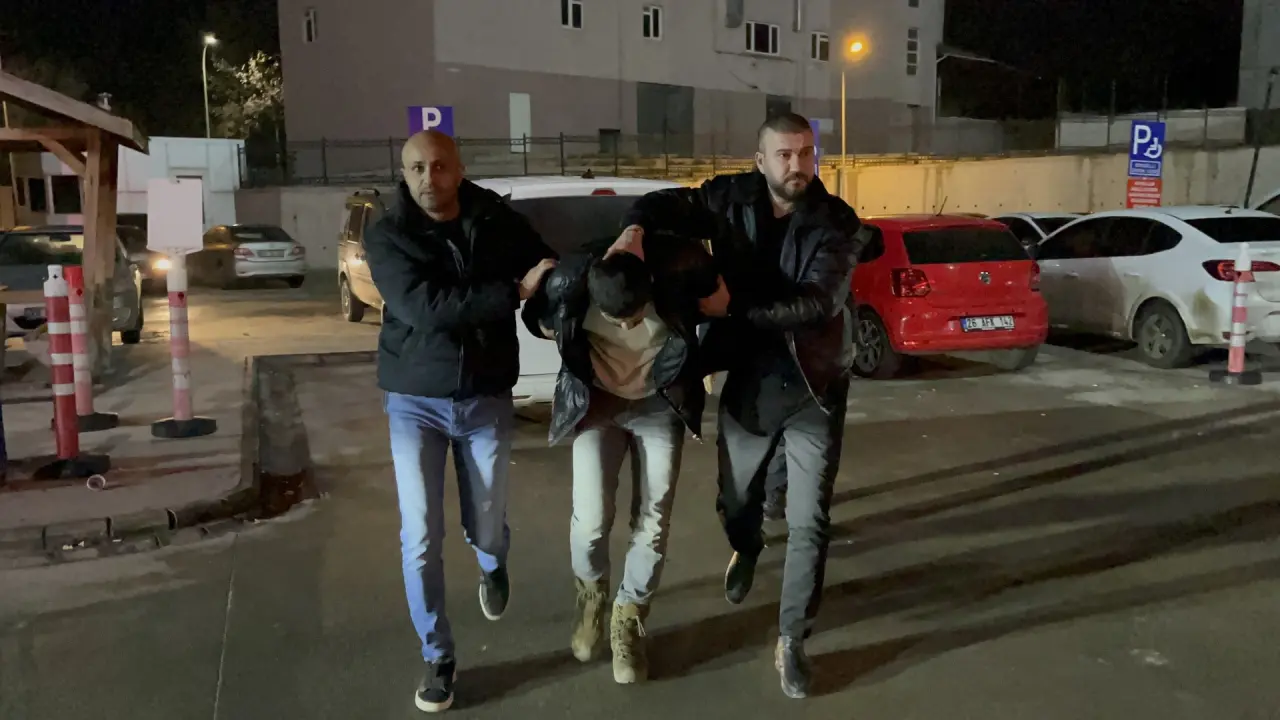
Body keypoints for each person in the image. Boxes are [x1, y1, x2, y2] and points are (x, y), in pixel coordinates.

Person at [610, 112, 865, 699]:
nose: (797, 165)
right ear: (760, 160)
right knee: (736, 499)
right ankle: (746, 546)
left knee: (810, 520)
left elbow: (818, 304)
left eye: (806, 153)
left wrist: (733, 309)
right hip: (750, 378)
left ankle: (793, 639)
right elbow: (666, 204)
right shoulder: (729, 198)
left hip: (814, 381)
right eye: (785, 155)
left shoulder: (836, 221)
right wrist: (633, 231)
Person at [364, 130, 558, 713]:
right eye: (417, 168)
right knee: (421, 535)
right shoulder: (388, 233)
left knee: (489, 520)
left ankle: (493, 564)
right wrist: (512, 292)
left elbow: (545, 268)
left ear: (459, 167)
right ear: (405, 173)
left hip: (485, 395)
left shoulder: (496, 220)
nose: (429, 178)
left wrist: (548, 307)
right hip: (414, 398)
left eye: (439, 166)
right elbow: (422, 308)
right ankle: (438, 655)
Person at [521, 231, 719, 684]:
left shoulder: (672, 285)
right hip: (597, 406)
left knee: (653, 517)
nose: (628, 328)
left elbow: (717, 303)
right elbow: (536, 318)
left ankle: (629, 617)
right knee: (591, 519)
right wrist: (544, 308)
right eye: (616, 321)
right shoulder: (572, 289)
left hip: (657, 406)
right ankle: (592, 596)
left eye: (636, 318)